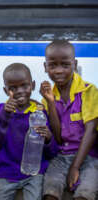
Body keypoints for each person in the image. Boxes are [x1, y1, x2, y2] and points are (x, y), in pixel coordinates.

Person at [0, 63, 58, 200]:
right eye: (13, 88)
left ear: (33, 85)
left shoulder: (40, 112)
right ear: (6, 91)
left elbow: (51, 152)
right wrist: (4, 115)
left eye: (24, 86)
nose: (19, 91)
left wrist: (48, 138)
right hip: (7, 172)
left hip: (34, 173)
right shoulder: (1, 110)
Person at [41, 40, 98, 200]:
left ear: (75, 64)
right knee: (50, 192)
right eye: (52, 65)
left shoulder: (88, 91)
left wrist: (75, 167)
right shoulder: (47, 98)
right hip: (61, 156)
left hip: (89, 157)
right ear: (45, 67)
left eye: (65, 65)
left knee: (85, 193)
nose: (59, 71)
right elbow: (57, 137)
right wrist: (51, 104)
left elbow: (92, 130)